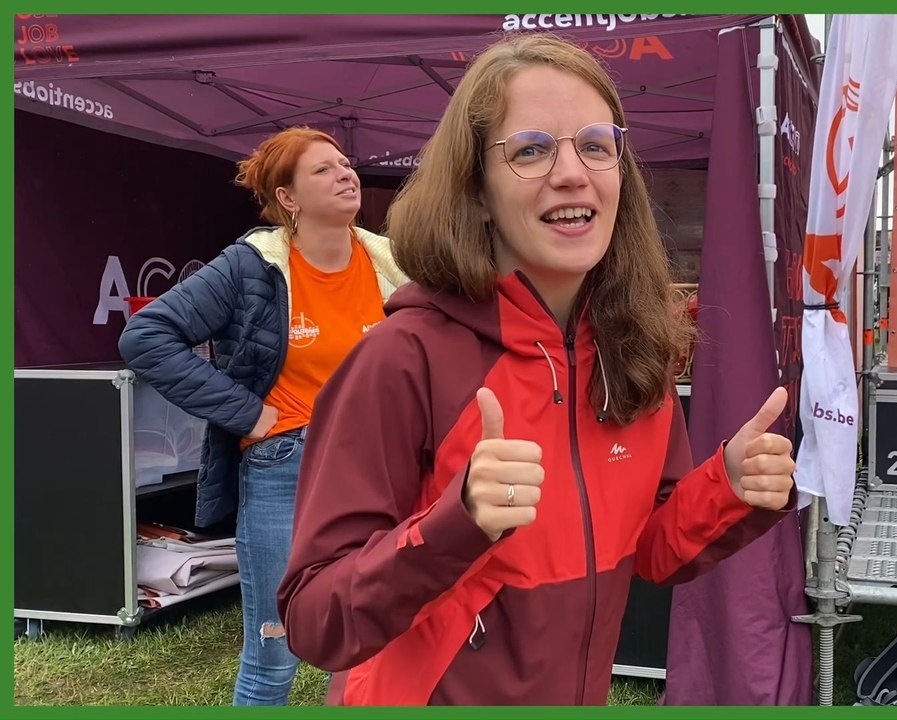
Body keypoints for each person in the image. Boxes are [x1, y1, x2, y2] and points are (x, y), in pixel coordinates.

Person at [277, 34, 798, 706]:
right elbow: (314, 619)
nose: (573, 172)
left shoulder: (631, 349)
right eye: (530, 150)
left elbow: (653, 552)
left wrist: (728, 486)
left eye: (595, 145)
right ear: (478, 193)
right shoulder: (403, 359)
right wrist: (453, 526)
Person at [118, 127, 408, 706]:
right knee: (274, 651)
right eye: (323, 169)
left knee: (364, 647)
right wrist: (247, 413)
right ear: (289, 199)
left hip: (375, 469)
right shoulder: (250, 266)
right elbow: (147, 336)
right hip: (284, 465)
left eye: (345, 164)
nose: (346, 174)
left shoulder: (392, 260)